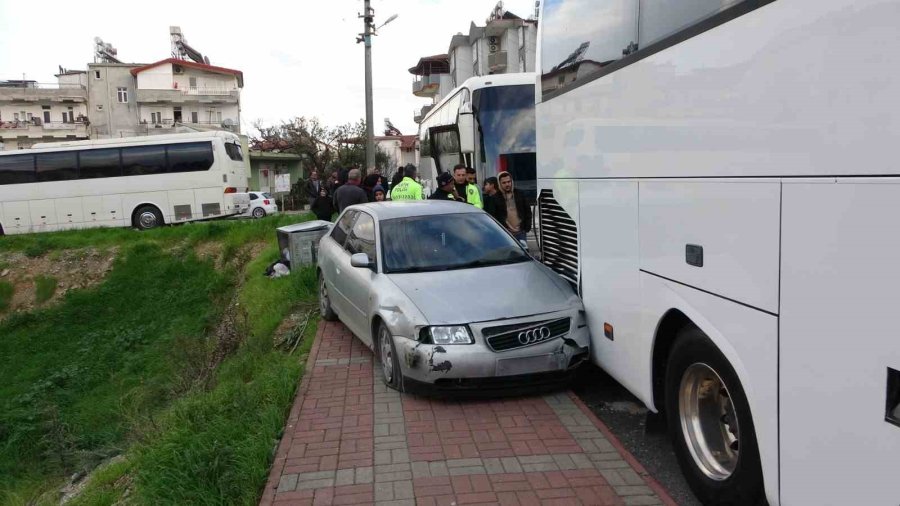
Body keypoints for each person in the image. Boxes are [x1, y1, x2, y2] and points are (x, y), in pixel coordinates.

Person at [498, 171, 531, 242]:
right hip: (505, 233)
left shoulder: (520, 194)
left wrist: (527, 227)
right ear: (500, 184)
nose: (507, 184)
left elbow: (528, 211)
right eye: (504, 183)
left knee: (523, 252)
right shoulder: (496, 198)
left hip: (521, 232)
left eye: (508, 182)